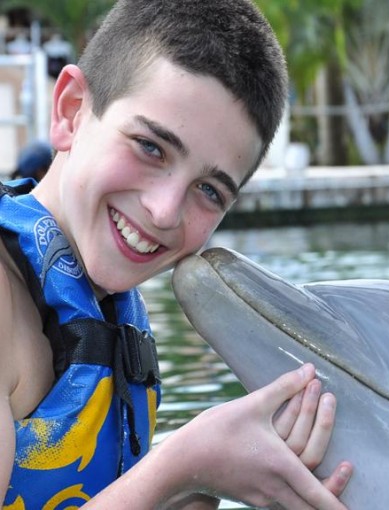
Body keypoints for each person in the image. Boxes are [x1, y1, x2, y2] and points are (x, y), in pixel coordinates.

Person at [0, 1, 353, 508]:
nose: (165, 212)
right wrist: (181, 465)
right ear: (72, 111)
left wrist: (196, 489)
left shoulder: (108, 313)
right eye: (150, 147)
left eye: (209, 190)